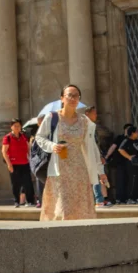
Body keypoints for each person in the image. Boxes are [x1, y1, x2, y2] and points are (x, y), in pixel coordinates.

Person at [36, 84, 105, 221]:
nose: (73, 98)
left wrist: (100, 170)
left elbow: (91, 147)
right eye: (70, 95)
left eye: (76, 96)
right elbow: (39, 137)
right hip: (59, 169)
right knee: (63, 207)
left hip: (79, 169)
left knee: (80, 208)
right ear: (62, 98)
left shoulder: (84, 121)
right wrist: (52, 146)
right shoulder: (52, 117)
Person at [2, 119, 37, 207]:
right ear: (11, 127)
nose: (17, 127)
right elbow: (4, 151)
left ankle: (30, 201)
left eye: (18, 126)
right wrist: (9, 164)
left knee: (27, 182)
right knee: (15, 183)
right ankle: (16, 201)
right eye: (15, 126)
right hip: (14, 164)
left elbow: (28, 148)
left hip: (24, 163)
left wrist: (31, 159)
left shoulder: (23, 136)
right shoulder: (8, 137)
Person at [86, 106, 113, 208]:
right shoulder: (85, 126)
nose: (96, 115)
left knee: (97, 177)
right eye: (94, 113)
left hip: (95, 154)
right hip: (88, 155)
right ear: (87, 113)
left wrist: (100, 155)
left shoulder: (93, 126)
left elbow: (95, 144)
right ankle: (97, 199)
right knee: (94, 178)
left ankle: (99, 199)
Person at [117, 124, 138, 203]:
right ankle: (130, 198)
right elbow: (120, 149)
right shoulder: (126, 140)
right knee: (132, 180)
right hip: (132, 164)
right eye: (136, 132)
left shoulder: (137, 140)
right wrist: (129, 157)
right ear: (132, 133)